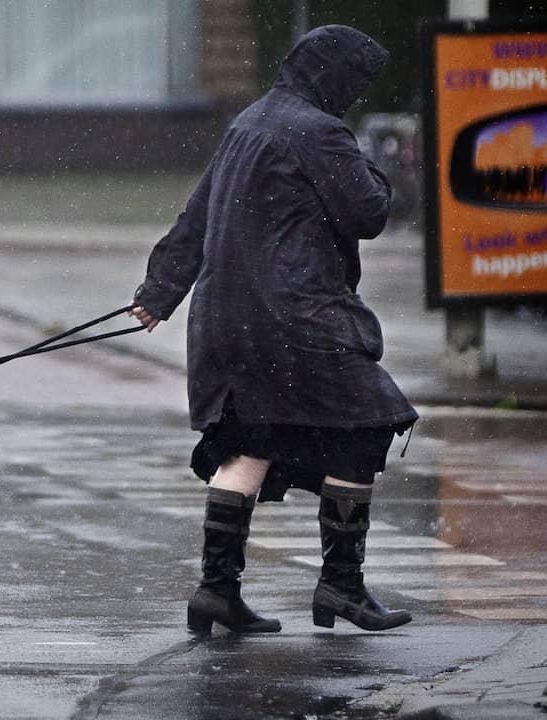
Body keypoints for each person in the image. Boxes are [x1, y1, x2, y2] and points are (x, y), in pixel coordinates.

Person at [129, 25, 418, 635]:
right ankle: (341, 587)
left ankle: (216, 592)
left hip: (226, 317)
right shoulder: (320, 131)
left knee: (248, 439)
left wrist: (160, 292)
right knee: (363, 426)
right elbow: (368, 213)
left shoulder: (250, 121)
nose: (356, 96)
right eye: (355, 83)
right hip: (297, 318)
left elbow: (198, 213)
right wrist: (375, 167)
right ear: (334, 77)